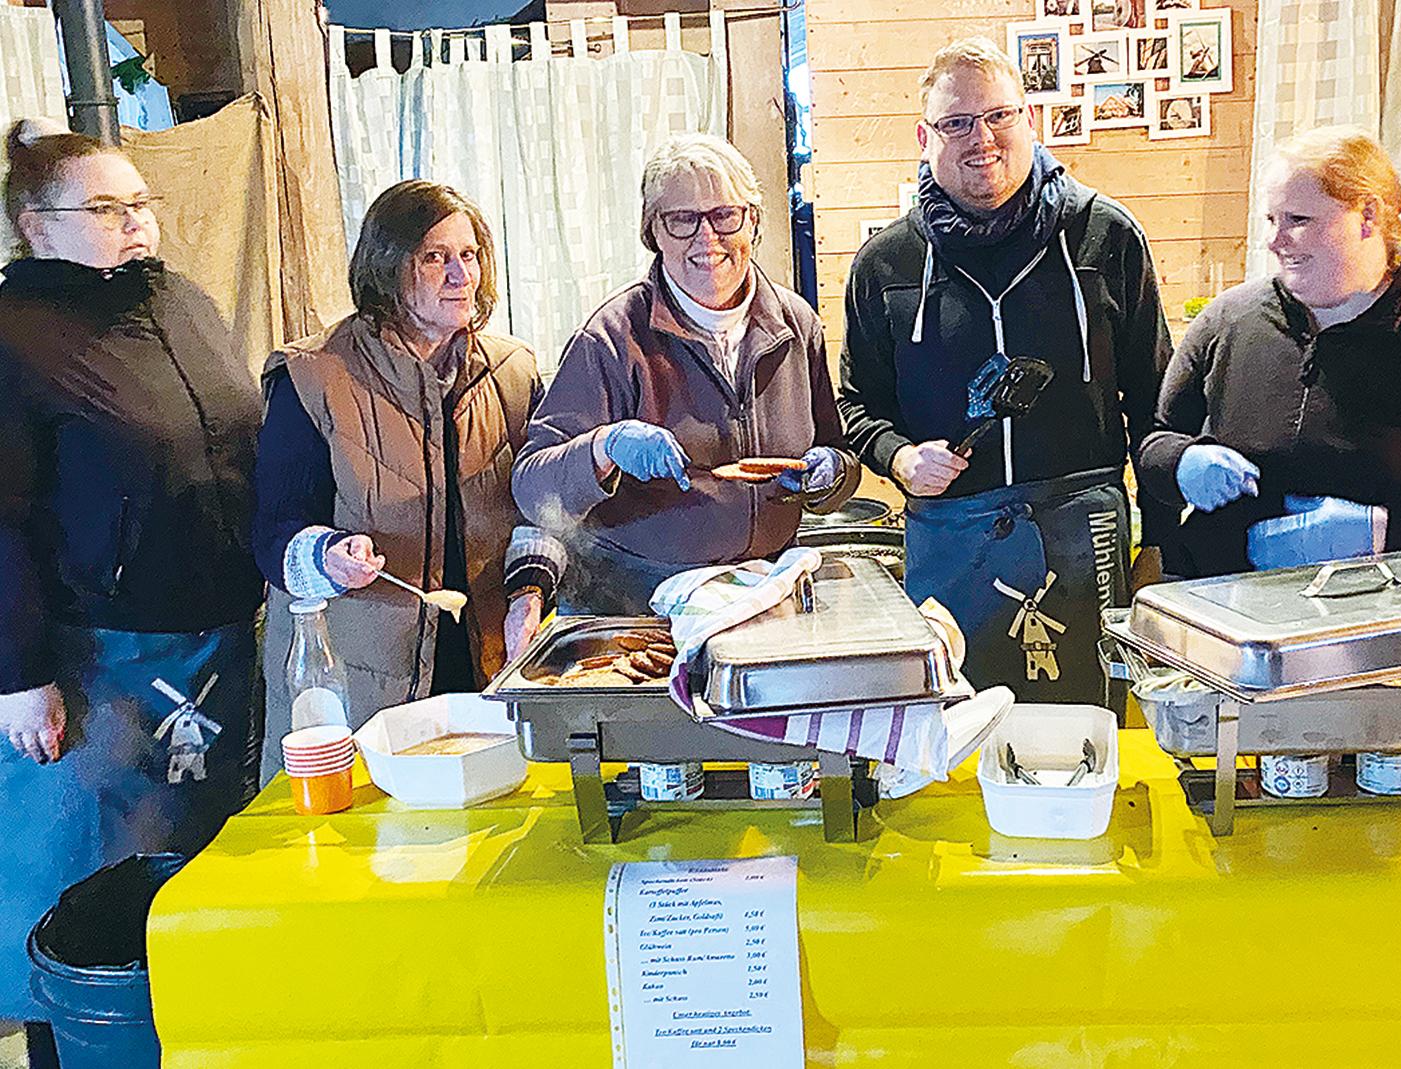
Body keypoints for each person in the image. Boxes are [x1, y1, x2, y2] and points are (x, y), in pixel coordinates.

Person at [0, 120, 263, 1057]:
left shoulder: (179, 301)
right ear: (35, 226)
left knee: (196, 865)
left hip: (215, 637)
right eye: (106, 208)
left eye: (141, 203)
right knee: (92, 880)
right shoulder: (15, 334)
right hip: (97, 656)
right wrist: (17, 673)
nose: (135, 222)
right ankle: (79, 1046)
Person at [838, 36, 1174, 706]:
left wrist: (1163, 543)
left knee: (1088, 728)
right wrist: (899, 458)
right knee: (955, 730)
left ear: (1030, 119)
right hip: (949, 542)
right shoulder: (884, 265)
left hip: (1085, 536)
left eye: (999, 116)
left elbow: (1157, 404)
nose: (981, 138)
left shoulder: (1107, 237)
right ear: (924, 138)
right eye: (956, 123)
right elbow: (855, 403)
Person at [254, 180, 560, 772]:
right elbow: (274, 532)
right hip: (361, 683)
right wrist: (327, 556)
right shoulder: (315, 377)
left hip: (487, 662)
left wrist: (529, 591)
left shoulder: (513, 371)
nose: (461, 275)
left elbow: (540, 510)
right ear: (387, 267)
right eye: (435, 257)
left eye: (469, 255)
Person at [512, 134, 859, 613]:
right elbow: (533, 488)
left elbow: (836, 452)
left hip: (760, 593)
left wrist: (834, 473)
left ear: (753, 221)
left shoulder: (796, 326)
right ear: (652, 230)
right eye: (681, 219)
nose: (707, 238)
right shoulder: (610, 338)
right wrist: (604, 447)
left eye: (725, 215)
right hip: (637, 605)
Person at [1137, 128, 1401, 579]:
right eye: (1271, 219)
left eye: (1297, 220)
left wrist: (1380, 530)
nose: (1274, 240)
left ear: (1367, 216)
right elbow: (1158, 438)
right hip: (1228, 598)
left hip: (1377, 605)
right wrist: (1181, 462)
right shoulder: (1227, 321)